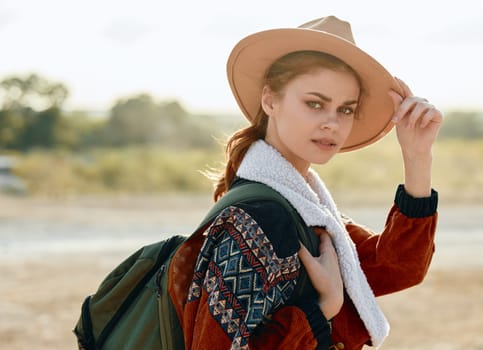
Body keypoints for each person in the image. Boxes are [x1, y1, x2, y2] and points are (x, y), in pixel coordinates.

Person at [167, 16, 442, 350]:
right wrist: (323, 308)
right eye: (315, 103)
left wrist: (417, 157)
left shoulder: (306, 207)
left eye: (345, 109)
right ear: (270, 100)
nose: (332, 123)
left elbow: (397, 267)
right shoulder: (255, 218)